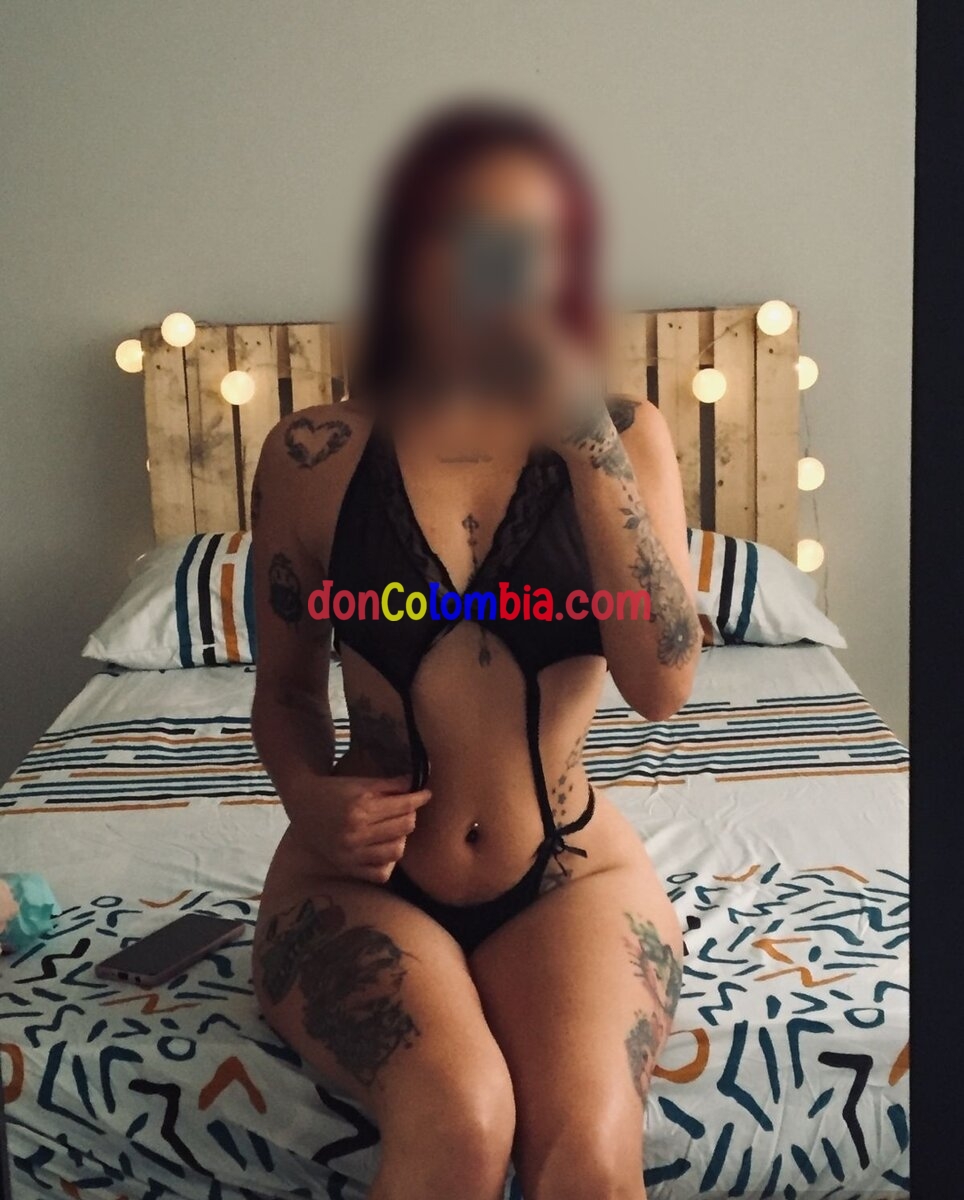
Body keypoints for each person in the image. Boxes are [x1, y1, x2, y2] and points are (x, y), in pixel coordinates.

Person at [251, 100, 700, 1200]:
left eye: (525, 243)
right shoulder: (313, 455)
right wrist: (308, 795)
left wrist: (584, 441)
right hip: (360, 881)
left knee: (587, 1151)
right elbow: (286, 693)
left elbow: (661, 687)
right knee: (461, 1119)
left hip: (568, 876)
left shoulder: (627, 434)